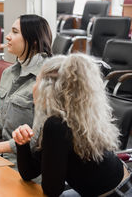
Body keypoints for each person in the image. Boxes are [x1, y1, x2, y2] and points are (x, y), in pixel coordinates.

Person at [13, 54, 131, 196]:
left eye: (37, 80)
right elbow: (29, 172)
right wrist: (22, 144)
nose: (33, 86)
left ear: (48, 88)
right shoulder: (64, 118)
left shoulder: (57, 125)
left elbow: (52, 190)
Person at [0, 14, 52, 164]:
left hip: (29, 167)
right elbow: (0, 112)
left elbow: (41, 137)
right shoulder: (8, 73)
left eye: (15, 32)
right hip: (2, 159)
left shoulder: (47, 79)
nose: (8, 37)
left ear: (34, 41)